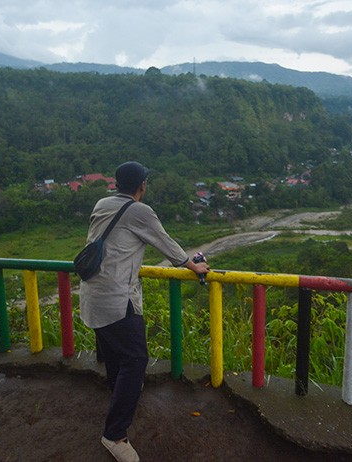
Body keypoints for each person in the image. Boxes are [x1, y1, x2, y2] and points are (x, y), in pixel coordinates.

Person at [79, 161, 209, 462]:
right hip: (116, 297)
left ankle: (118, 399)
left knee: (116, 357)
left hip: (92, 293)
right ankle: (114, 434)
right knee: (136, 359)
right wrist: (194, 265)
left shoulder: (102, 203)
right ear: (142, 186)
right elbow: (168, 245)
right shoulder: (140, 211)